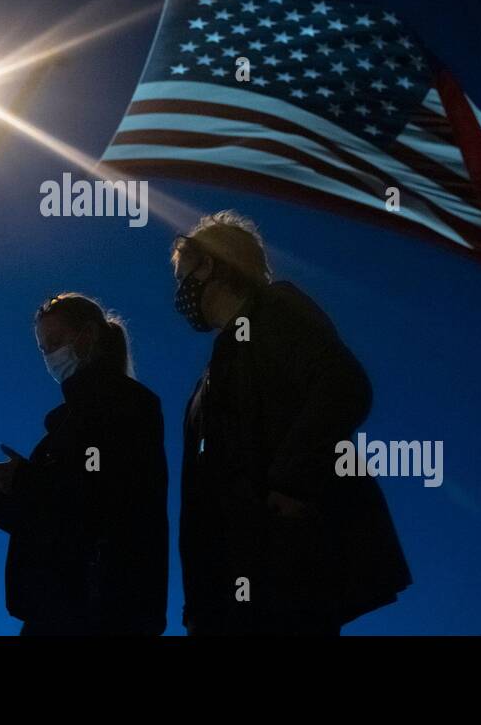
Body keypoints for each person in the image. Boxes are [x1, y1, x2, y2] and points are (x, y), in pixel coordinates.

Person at [172, 210, 412, 635]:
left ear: (209, 263)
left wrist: (290, 484)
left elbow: (342, 386)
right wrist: (199, 603)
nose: (181, 290)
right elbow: (199, 503)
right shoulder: (204, 387)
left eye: (183, 274)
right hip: (228, 598)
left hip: (288, 572)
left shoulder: (274, 309)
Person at [0, 293, 168, 635]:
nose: (50, 356)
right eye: (44, 349)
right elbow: (46, 516)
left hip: (98, 610)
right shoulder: (66, 422)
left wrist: (25, 480)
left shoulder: (125, 406)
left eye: (55, 343)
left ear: (86, 337)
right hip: (60, 607)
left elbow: (103, 499)